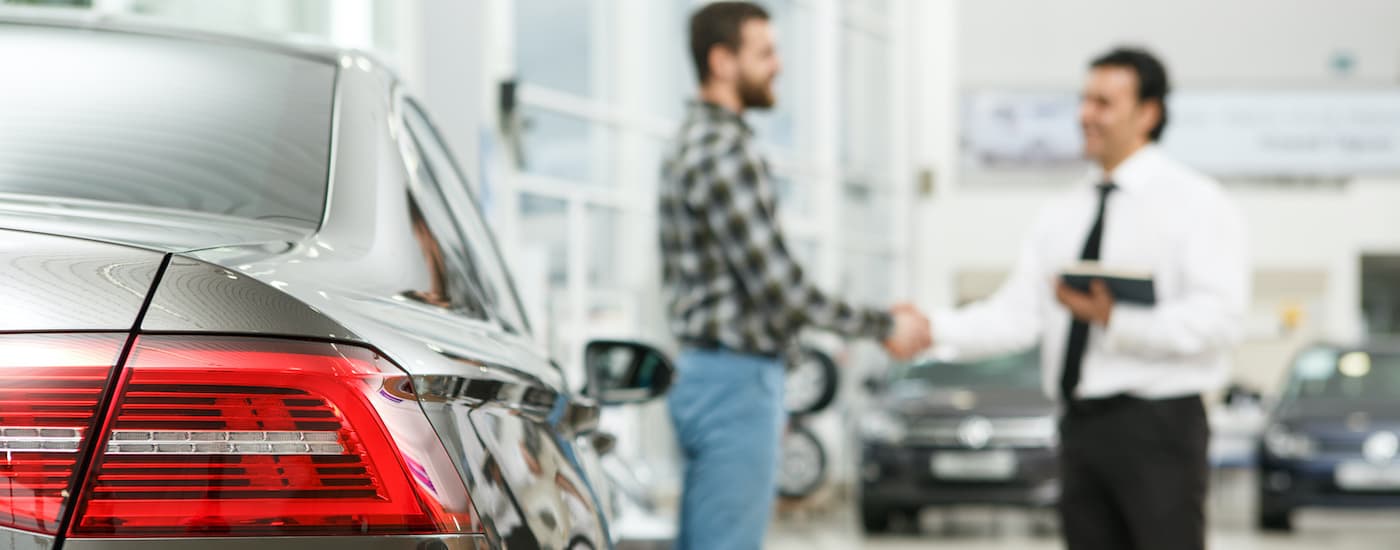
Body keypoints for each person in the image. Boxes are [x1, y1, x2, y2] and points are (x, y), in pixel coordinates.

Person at [929, 47, 1249, 550]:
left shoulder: (1196, 203)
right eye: (1083, 101)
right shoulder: (1063, 212)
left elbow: (1221, 320)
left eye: (1103, 103)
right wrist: (930, 330)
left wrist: (1115, 318)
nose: (1085, 115)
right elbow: (1016, 315)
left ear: (1148, 113)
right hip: (1080, 428)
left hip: (1160, 428)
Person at [657, 3, 932, 548]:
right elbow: (782, 290)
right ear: (722, 61)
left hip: (714, 375)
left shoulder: (691, 141)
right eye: (765, 52)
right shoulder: (722, 151)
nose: (778, 65)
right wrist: (884, 326)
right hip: (734, 382)